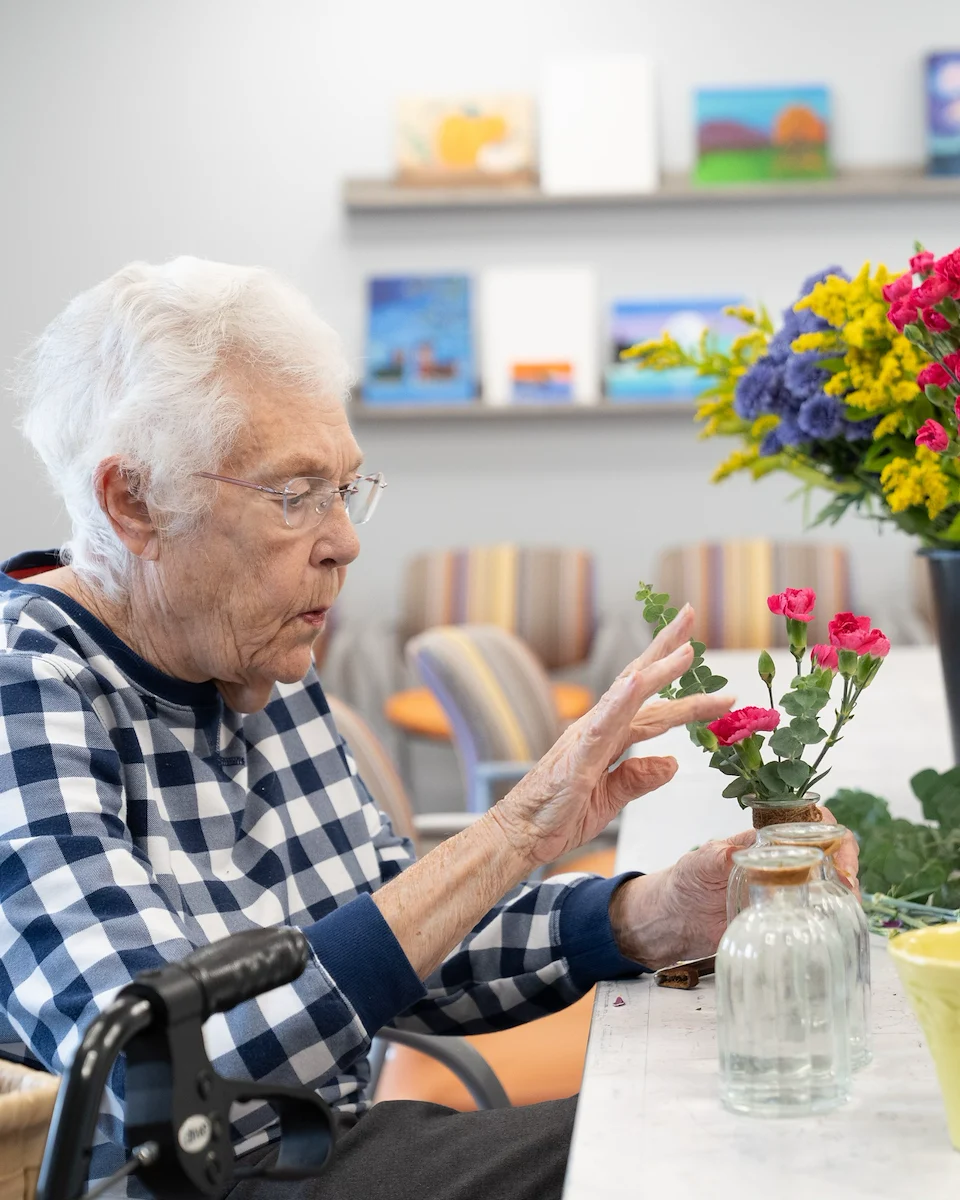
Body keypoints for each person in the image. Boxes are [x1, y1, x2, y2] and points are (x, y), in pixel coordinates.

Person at [0, 258, 857, 1200]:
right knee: (699, 1146)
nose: (345, 539)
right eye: (295, 496)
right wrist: (513, 831)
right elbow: (164, 1077)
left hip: (325, 1139)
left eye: (345, 488)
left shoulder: (247, 646)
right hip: (192, 1182)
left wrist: (648, 915)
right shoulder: (23, 690)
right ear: (136, 503)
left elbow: (404, 941)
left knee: (740, 1117)